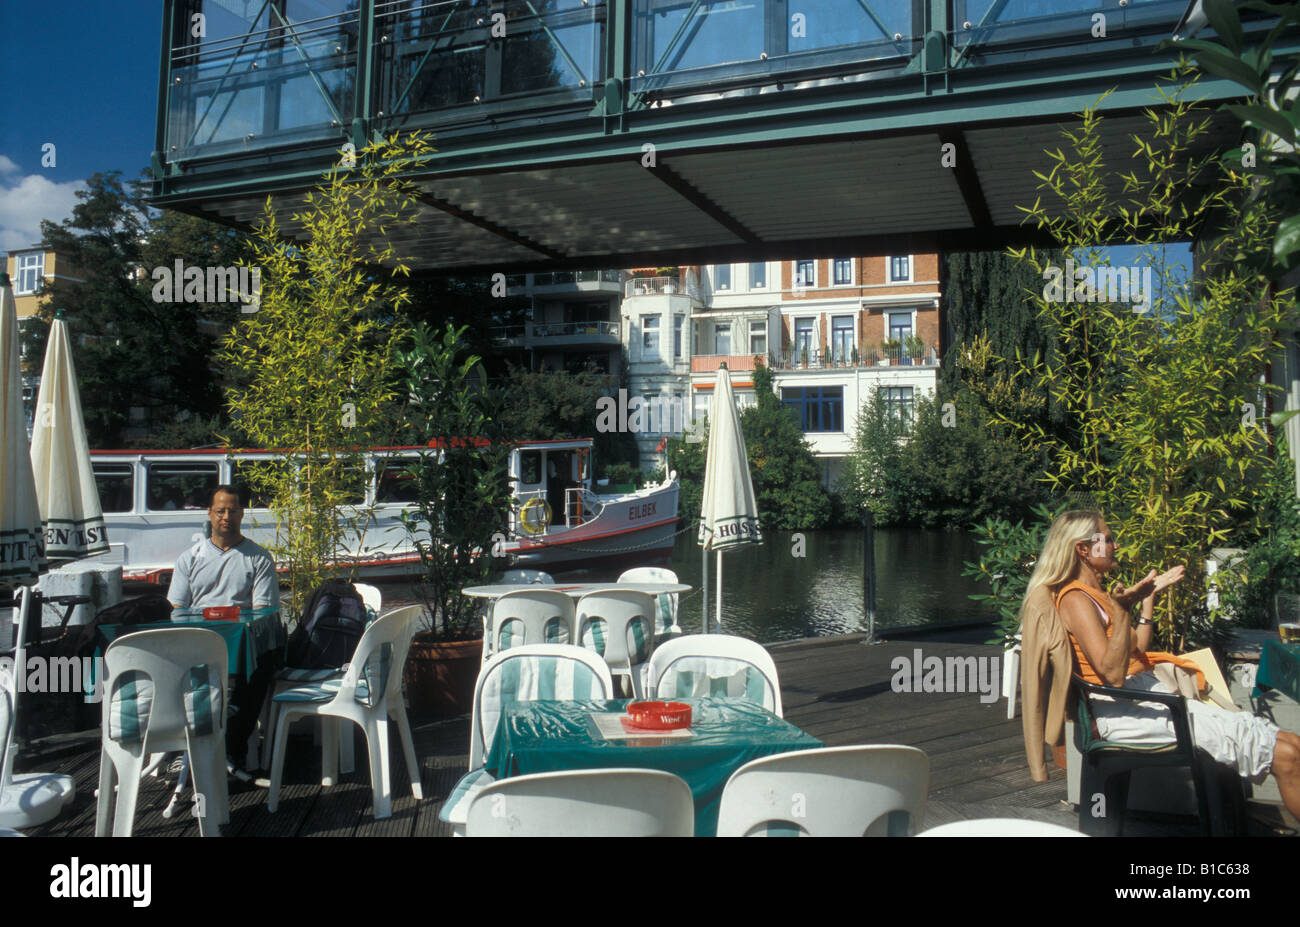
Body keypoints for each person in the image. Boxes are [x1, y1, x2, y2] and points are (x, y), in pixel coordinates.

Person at [1028, 509, 1300, 819]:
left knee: (1290, 742)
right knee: (1287, 755)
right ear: (1083, 549)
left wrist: (1146, 601)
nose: (1117, 545)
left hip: (1142, 697)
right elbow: (1112, 674)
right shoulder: (1076, 600)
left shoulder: (1096, 594)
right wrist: (1122, 610)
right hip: (1125, 710)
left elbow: (1138, 647)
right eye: (1109, 539)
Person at [168, 484, 279, 779]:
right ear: (209, 513)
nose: (226, 517)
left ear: (242, 513)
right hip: (195, 643)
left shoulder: (258, 558)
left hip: (239, 644)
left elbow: (262, 613)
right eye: (220, 511)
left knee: (260, 668)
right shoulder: (189, 558)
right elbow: (177, 609)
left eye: (232, 510)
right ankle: (180, 749)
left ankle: (232, 749)